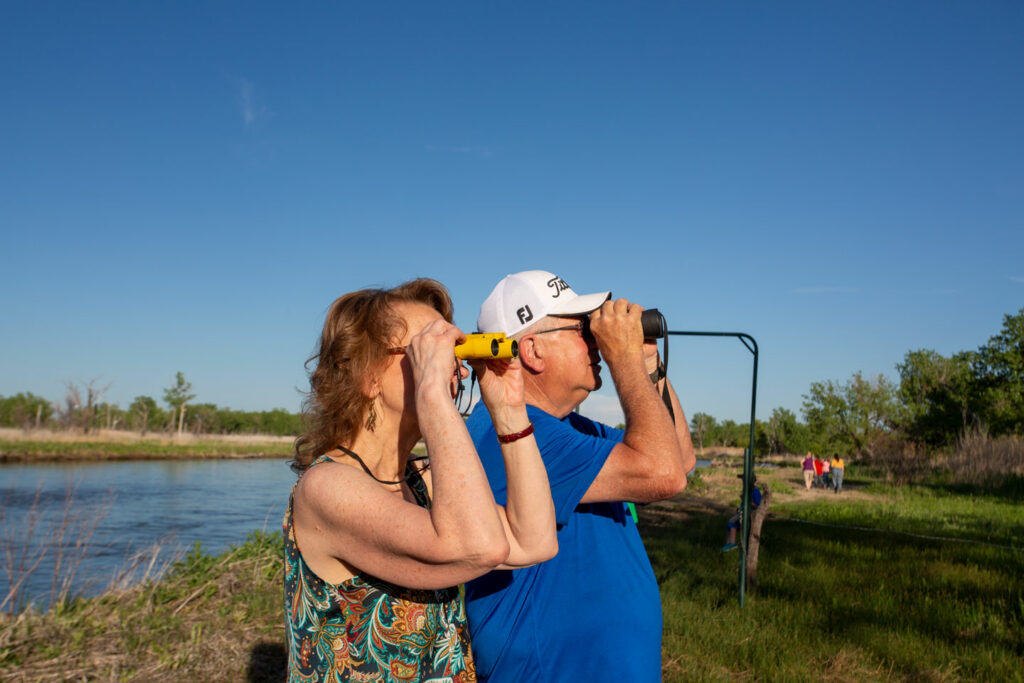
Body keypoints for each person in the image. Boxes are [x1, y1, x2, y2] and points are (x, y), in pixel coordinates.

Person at [283, 279, 559, 682]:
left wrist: (510, 411)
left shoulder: (420, 480)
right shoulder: (327, 489)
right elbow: (476, 547)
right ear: (368, 376)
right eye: (424, 348)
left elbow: (534, 541)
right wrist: (433, 392)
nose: (452, 365)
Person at [462, 270, 696, 682]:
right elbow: (665, 474)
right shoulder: (513, 435)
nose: (597, 341)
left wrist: (647, 365)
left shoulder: (570, 428)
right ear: (531, 351)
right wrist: (623, 361)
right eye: (581, 329)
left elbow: (678, 460)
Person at [722, 476, 762, 552]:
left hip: (750, 513)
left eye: (744, 481)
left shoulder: (756, 492)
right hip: (743, 511)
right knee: (728, 526)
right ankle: (728, 544)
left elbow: (757, 505)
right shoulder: (747, 490)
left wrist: (746, 500)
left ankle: (732, 543)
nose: (743, 483)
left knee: (732, 522)